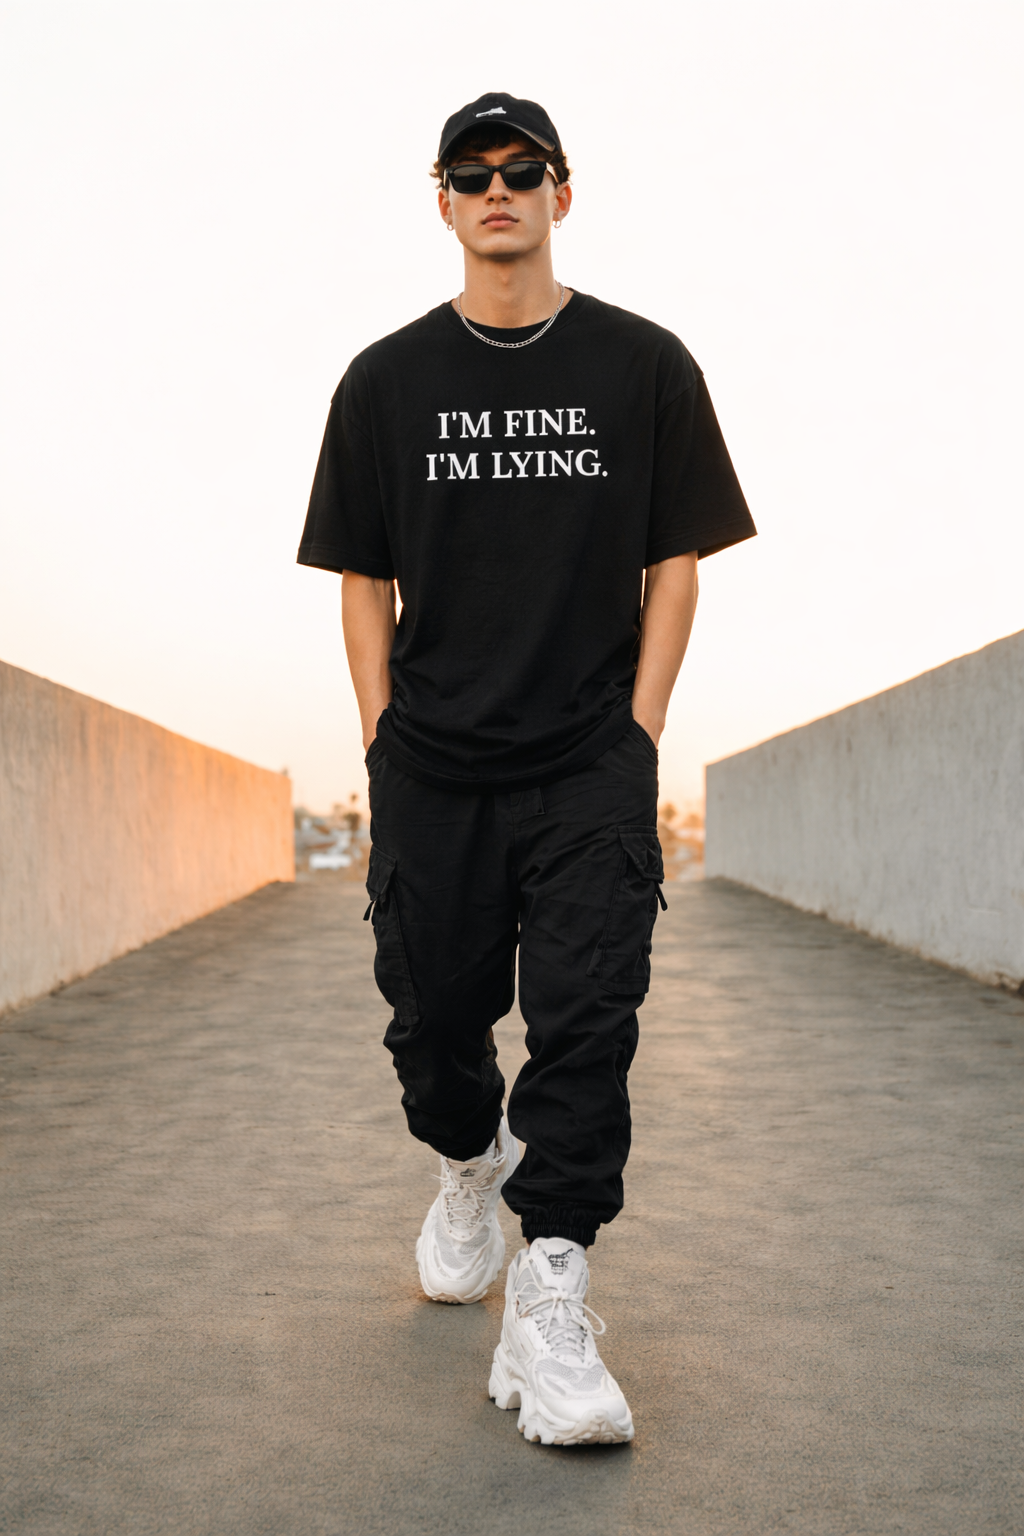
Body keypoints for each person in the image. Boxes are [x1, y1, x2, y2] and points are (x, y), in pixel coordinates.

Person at [298, 92, 756, 1447]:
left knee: (588, 1023)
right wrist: (382, 741)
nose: (499, 189)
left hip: (586, 763)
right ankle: (463, 1158)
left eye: (523, 170)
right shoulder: (384, 381)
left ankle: (551, 1290)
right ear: (440, 201)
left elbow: (672, 561)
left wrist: (641, 728)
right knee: (435, 1027)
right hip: (432, 766)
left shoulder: (643, 365)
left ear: (563, 192)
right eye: (472, 173)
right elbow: (362, 578)